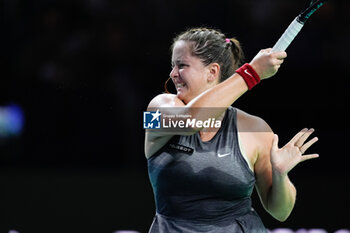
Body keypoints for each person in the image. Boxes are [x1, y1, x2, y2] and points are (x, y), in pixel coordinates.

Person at [144, 28, 319, 233]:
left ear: (212, 72)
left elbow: (280, 212)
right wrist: (251, 73)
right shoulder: (157, 111)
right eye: (173, 65)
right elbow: (192, 121)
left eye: (181, 65)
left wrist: (281, 175)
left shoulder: (256, 129)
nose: (173, 74)